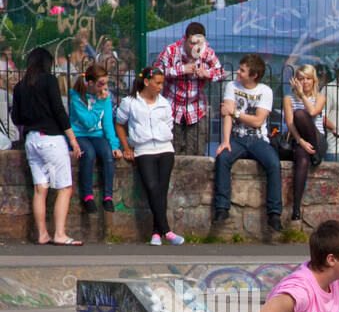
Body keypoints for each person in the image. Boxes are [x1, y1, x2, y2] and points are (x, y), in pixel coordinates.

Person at [12, 47, 83, 245]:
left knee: (40, 188)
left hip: (31, 140)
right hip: (51, 138)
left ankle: (42, 234)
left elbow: (16, 117)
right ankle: (60, 234)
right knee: (64, 188)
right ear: (46, 64)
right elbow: (59, 111)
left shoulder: (19, 86)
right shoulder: (49, 81)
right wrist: (73, 140)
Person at [213, 54, 282, 232]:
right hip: (237, 138)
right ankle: (222, 207)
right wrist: (225, 141)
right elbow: (226, 114)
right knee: (223, 158)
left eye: (242, 70)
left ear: (254, 76)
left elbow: (258, 121)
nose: (238, 71)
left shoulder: (265, 91)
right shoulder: (231, 86)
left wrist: (235, 112)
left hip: (258, 139)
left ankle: (274, 214)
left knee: (274, 163)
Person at [116, 67, 182, 245]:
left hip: (165, 149)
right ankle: (166, 230)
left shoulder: (164, 103)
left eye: (162, 83)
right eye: (157, 83)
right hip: (144, 150)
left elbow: (169, 125)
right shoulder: (130, 102)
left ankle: (156, 233)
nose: (161, 87)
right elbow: (120, 124)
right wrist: (126, 147)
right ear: (147, 82)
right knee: (152, 188)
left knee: (161, 190)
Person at [154, 22, 223, 156]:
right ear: (184, 39)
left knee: (197, 152)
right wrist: (181, 70)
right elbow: (156, 72)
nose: (196, 47)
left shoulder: (207, 53)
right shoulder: (171, 51)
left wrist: (207, 73)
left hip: (196, 108)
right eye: (192, 43)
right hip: (172, 107)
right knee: (170, 151)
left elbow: (221, 72)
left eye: (200, 43)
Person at [70, 64, 120, 213]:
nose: (104, 87)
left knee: (107, 154)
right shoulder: (76, 96)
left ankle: (108, 197)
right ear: (91, 83)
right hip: (80, 135)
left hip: (96, 135)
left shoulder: (104, 97)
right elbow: (88, 122)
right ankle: (88, 197)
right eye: (101, 84)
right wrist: (99, 103)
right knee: (89, 154)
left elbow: (107, 123)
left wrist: (114, 145)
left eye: (106, 83)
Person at [281, 64, 325, 222]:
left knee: (301, 113)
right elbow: (290, 123)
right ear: (295, 81)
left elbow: (313, 112)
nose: (305, 82)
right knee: (302, 159)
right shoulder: (288, 98)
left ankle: (316, 154)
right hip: (299, 139)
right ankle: (296, 209)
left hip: (317, 138)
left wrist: (302, 95)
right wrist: (301, 141)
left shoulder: (320, 97)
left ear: (313, 81)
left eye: (308, 78)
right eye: (301, 79)